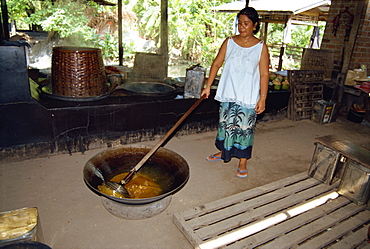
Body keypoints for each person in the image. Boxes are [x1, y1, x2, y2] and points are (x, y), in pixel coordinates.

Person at [201, 7, 269, 178]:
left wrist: (263, 98)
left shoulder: (261, 47)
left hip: (248, 95)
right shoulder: (229, 42)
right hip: (228, 92)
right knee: (226, 125)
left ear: (255, 25)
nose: (242, 27)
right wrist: (208, 86)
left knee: (245, 129)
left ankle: (242, 161)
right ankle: (224, 153)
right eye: (239, 23)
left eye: (246, 23)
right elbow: (216, 64)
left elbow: (264, 74)